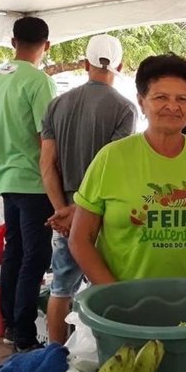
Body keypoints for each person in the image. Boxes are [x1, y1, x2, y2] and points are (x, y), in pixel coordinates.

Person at [69, 54, 186, 283]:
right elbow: (79, 238)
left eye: (182, 99)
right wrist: (113, 294)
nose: (172, 106)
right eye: (160, 97)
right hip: (126, 307)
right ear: (141, 101)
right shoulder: (111, 158)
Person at [0, 16, 58, 353]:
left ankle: (8, 321)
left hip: (4, 175)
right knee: (35, 255)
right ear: (47, 45)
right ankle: (22, 332)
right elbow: (44, 135)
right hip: (33, 180)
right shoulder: (39, 81)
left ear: (13, 41)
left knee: (15, 250)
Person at [40, 34, 137, 344]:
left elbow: (47, 164)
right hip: (104, 213)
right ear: (119, 66)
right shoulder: (125, 109)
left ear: (85, 64)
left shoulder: (56, 105)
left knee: (61, 289)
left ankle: (53, 357)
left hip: (64, 211)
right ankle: (102, 353)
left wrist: (62, 211)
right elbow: (114, 170)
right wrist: (80, 212)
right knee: (104, 287)